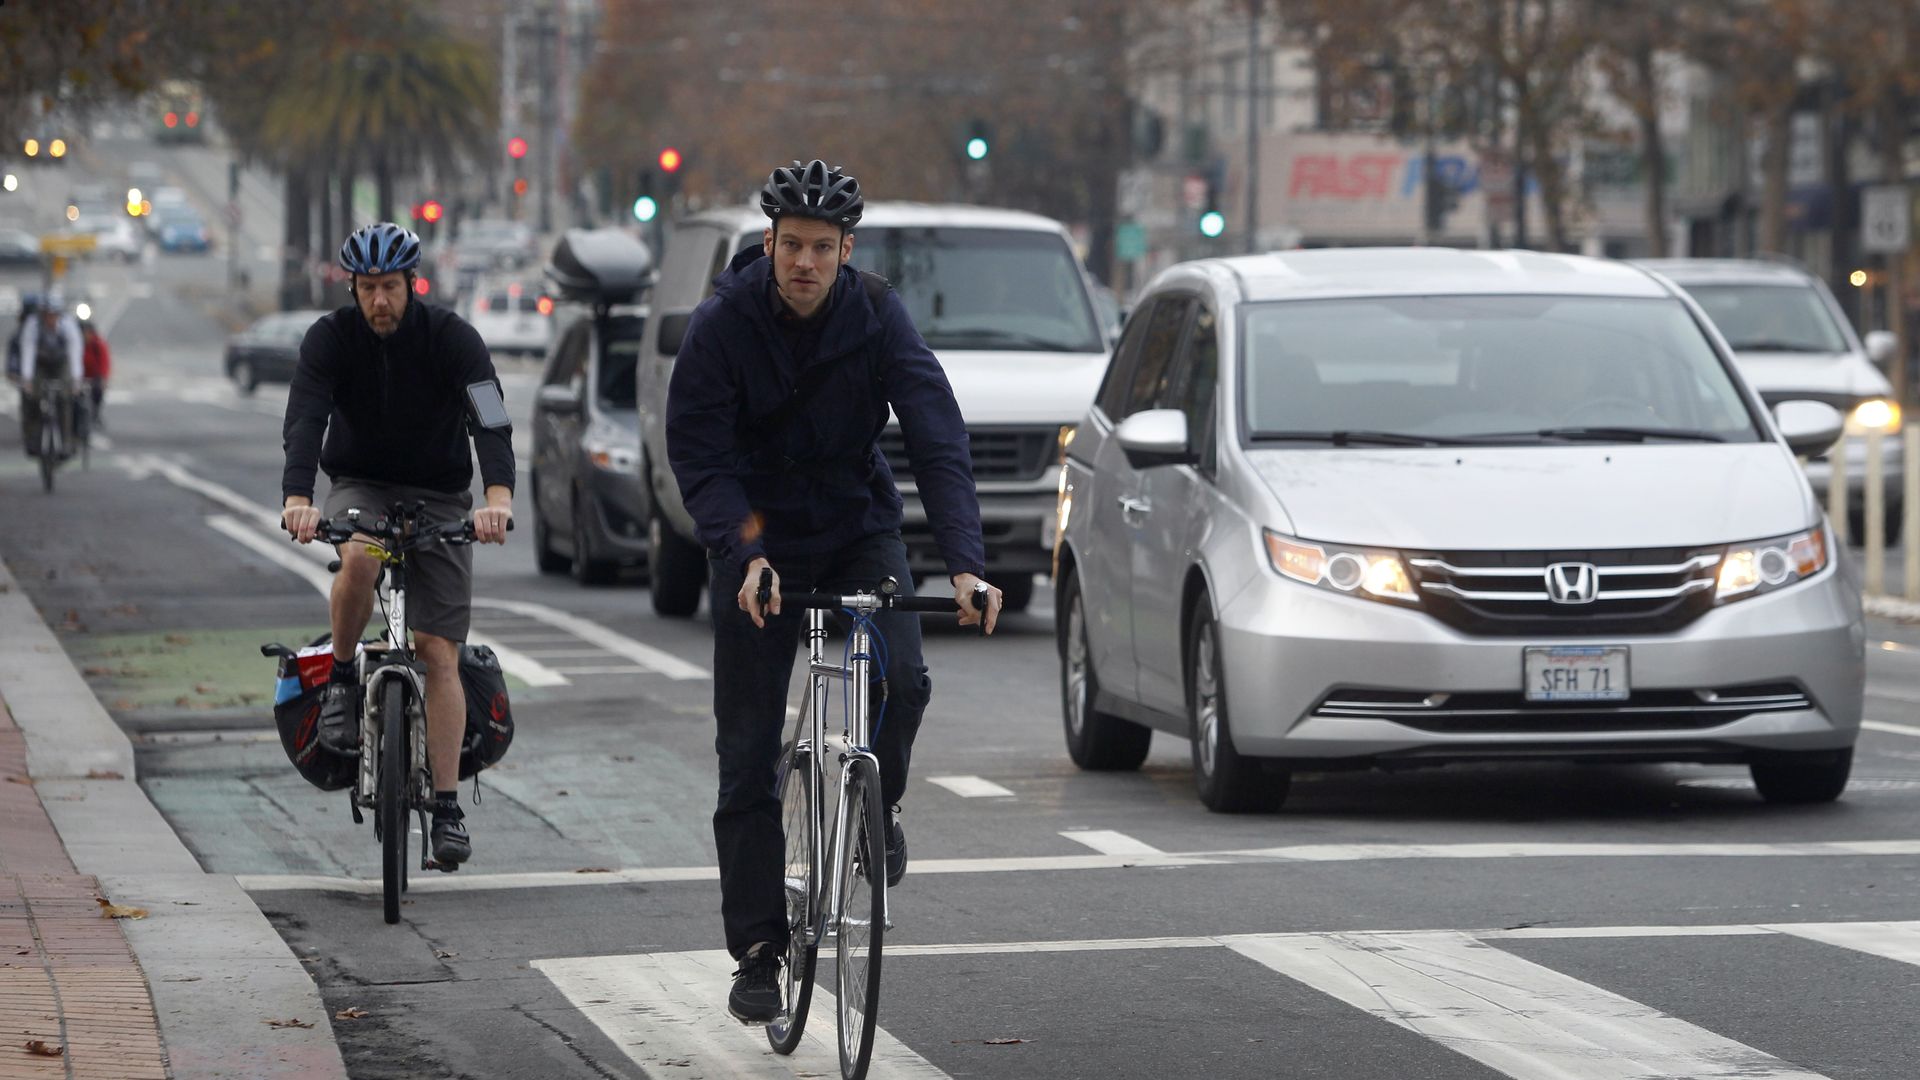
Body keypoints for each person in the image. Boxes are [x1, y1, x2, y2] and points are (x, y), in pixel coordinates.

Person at [666, 159, 1004, 1023]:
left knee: (907, 678)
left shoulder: (879, 315)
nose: (805, 263)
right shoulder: (722, 323)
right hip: (756, 544)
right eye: (791, 246)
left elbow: (937, 438)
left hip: (857, 528)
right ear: (769, 243)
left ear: (846, 250)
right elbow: (699, 453)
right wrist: (745, 555)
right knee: (747, 755)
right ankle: (758, 951)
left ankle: (877, 802)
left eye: (822, 247)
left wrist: (965, 564)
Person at [279, 222, 515, 870]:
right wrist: (298, 497)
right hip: (360, 486)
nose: (379, 301)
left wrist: (497, 499)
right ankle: (342, 677)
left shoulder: (453, 338)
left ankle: (447, 808)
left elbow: (490, 419)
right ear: (352, 288)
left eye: (389, 287)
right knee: (358, 556)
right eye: (367, 289)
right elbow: (306, 418)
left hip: (440, 494)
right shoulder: (330, 339)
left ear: (413, 284)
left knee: (439, 651)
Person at [16, 292, 82, 458]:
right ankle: (32, 436)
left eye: (53, 315)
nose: (50, 319)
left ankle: (66, 440)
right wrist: (27, 380)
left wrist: (76, 379)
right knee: (32, 397)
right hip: (41, 364)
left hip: (61, 363)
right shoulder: (33, 326)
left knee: (65, 399)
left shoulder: (68, 326)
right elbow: (28, 351)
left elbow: (75, 352)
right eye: (47, 315)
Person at [79, 318, 110, 430]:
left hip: (94, 376)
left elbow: (104, 362)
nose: (85, 335)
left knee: (97, 392)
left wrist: (103, 378)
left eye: (87, 332)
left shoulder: (98, 344)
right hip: (80, 376)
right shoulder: (77, 345)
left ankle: (96, 412)